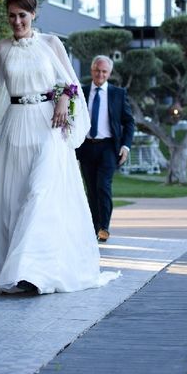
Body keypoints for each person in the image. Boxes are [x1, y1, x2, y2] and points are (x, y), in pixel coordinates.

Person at [0, 0, 120, 295]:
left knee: (41, 194)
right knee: (13, 197)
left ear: (34, 15)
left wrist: (62, 102)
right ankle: (14, 268)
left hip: (48, 125)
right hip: (16, 126)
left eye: (22, 15)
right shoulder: (1, 49)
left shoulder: (51, 43)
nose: (17, 21)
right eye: (12, 16)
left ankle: (35, 272)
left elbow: (69, 82)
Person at [76, 55, 135, 243]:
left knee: (103, 187)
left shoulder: (118, 94)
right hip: (86, 147)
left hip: (109, 148)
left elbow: (129, 122)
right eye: (97, 70)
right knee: (91, 190)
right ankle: (93, 228)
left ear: (109, 73)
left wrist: (126, 146)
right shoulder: (80, 92)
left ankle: (104, 228)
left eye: (104, 71)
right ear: (91, 70)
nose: (100, 74)